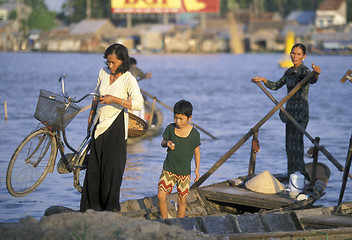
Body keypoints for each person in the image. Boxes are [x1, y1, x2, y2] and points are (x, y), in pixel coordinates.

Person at [80, 43, 144, 212]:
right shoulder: (103, 73)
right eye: (108, 62)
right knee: (94, 169)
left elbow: (138, 104)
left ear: (123, 61)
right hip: (99, 124)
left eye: (113, 63)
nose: (110, 65)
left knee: (112, 171)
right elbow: (96, 95)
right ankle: (91, 209)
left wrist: (115, 100)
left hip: (115, 127)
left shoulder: (128, 79)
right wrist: (91, 116)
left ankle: (110, 210)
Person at [252, 43, 321, 179]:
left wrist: (317, 73)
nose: (294, 56)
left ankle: (302, 175)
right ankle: (292, 174)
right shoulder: (288, 72)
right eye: (293, 53)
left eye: (298, 54)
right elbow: (276, 85)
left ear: (304, 57)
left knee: (297, 145)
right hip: (289, 112)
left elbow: (312, 80)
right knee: (289, 145)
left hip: (300, 112)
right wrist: (264, 80)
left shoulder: (304, 71)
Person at [157, 100, 201, 219]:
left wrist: (197, 169)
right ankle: (165, 220)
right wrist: (167, 143)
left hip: (184, 173)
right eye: (175, 118)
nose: (177, 121)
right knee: (161, 195)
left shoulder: (194, 134)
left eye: (181, 119)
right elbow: (162, 142)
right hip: (168, 169)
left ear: (189, 118)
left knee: (182, 200)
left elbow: (197, 152)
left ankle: (179, 223)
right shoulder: (170, 128)